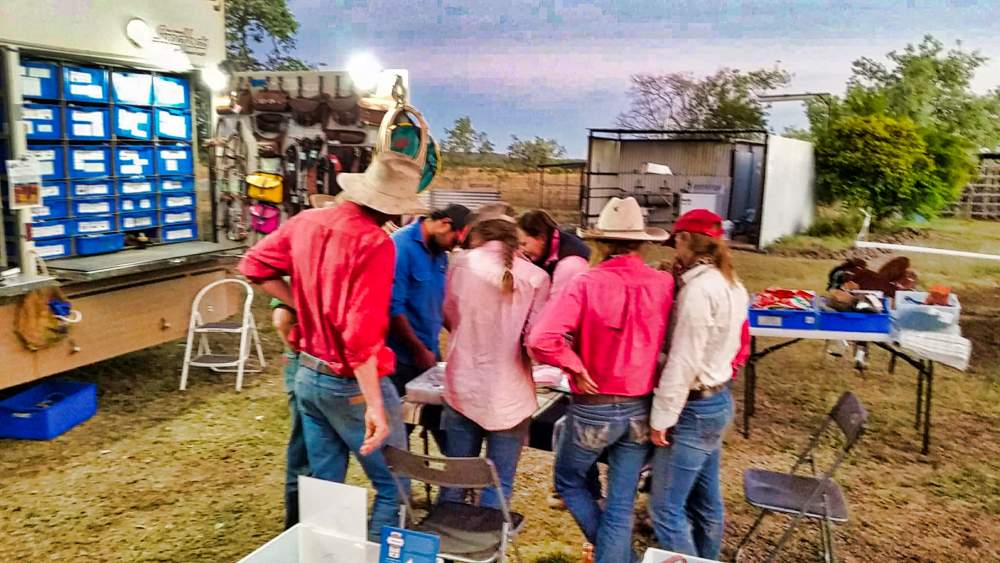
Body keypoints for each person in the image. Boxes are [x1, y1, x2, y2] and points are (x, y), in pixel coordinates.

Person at [238, 149, 424, 541]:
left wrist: (303, 303)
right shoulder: (376, 244)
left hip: (307, 373)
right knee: (395, 484)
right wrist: (374, 403)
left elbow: (253, 266)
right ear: (394, 209)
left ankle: (330, 555)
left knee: (326, 485)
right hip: (349, 382)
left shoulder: (307, 221)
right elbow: (360, 338)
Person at [528, 197, 675, 563]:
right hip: (641, 406)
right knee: (621, 503)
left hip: (595, 406)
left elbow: (540, 339)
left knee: (568, 481)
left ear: (600, 242)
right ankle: (620, 555)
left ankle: (618, 557)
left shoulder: (588, 282)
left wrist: (574, 364)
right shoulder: (662, 282)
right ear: (642, 242)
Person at [648, 209, 749, 560]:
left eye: (676, 239)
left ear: (685, 239)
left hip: (693, 407)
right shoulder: (731, 283)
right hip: (717, 398)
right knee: (705, 503)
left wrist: (662, 417)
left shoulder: (699, 291)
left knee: (665, 510)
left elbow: (684, 360)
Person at [439, 215, 550, 509]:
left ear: (479, 235)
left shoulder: (459, 264)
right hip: (509, 396)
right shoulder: (537, 277)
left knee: (455, 480)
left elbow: (449, 316)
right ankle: (490, 550)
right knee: (500, 487)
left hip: (462, 387)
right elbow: (534, 343)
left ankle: (449, 544)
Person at [387, 204, 472, 398]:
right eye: (455, 240)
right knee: (402, 421)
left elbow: (438, 300)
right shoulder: (400, 246)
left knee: (437, 418)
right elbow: (393, 308)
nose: (454, 247)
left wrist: (462, 335)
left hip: (429, 349)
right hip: (402, 357)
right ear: (444, 224)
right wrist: (418, 351)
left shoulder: (440, 252)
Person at [270, 299, 310, 530]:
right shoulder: (296, 266)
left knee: (312, 455)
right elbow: (281, 320)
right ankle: (295, 528)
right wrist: (302, 352)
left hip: (309, 365)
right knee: (303, 456)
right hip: (307, 366)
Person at [517, 209, 590, 298]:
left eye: (524, 244)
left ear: (542, 238)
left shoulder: (570, 264)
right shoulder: (544, 251)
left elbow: (557, 305)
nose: (521, 250)